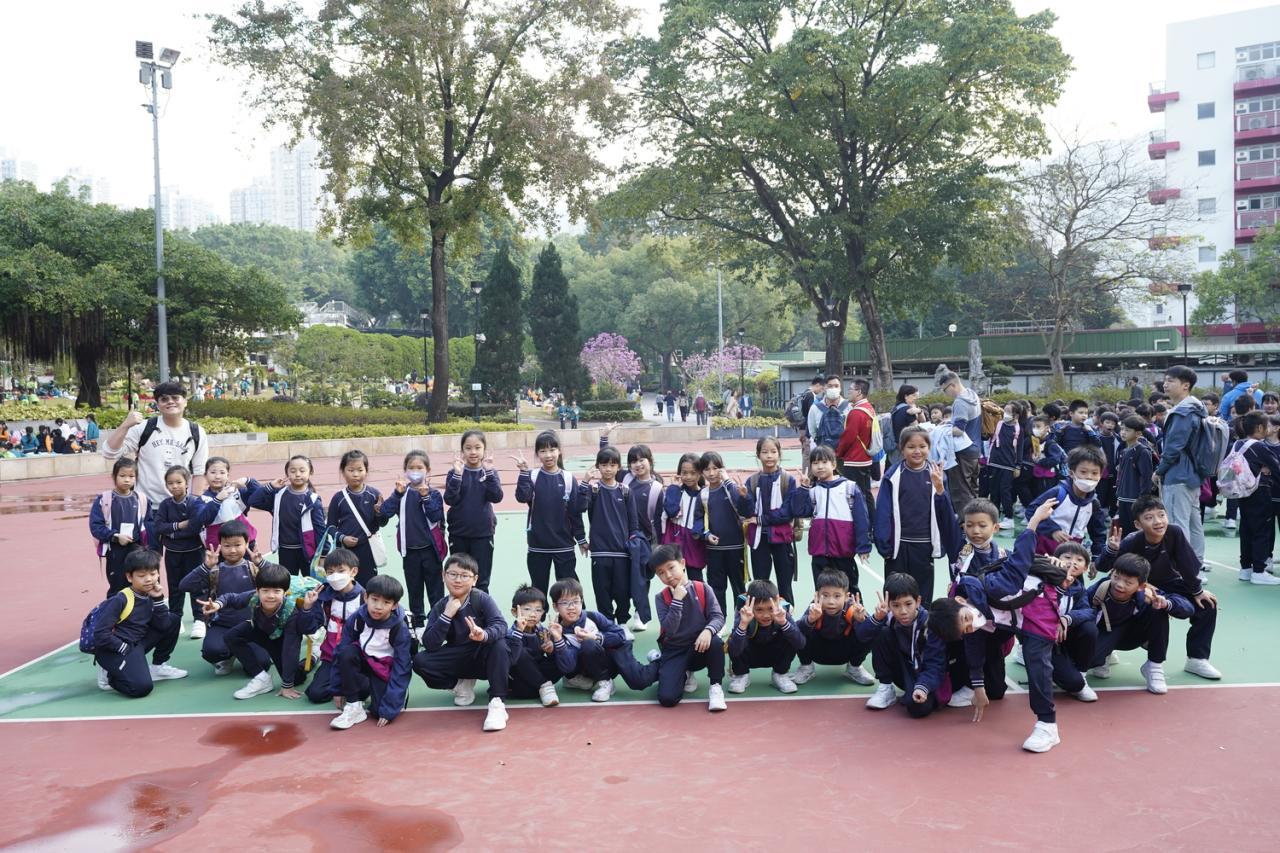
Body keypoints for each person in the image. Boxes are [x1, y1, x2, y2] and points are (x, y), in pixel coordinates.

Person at [1097, 495, 1221, 680]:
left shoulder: (1174, 533)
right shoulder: (1132, 541)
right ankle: (1106, 650)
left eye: (1161, 515)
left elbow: (1188, 566)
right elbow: (1104, 567)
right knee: (1122, 605)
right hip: (1140, 587)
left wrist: (1197, 591)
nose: (1158, 521)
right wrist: (1111, 550)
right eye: (1149, 517)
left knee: (1207, 604)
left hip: (1170, 583)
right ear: (1138, 524)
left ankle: (1197, 659)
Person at [609, 544, 728, 711]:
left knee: (715, 641)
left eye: (671, 567)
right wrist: (677, 600)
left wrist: (708, 631)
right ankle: (677, 670)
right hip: (675, 649)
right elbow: (670, 629)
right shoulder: (661, 598)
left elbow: (718, 617)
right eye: (661, 573)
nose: (668, 575)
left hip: (700, 647)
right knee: (667, 698)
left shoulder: (703, 588)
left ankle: (715, 687)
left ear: (683, 563)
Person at [412, 553, 514, 732]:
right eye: (453, 574)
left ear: (474, 580)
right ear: (443, 576)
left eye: (464, 575)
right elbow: (430, 644)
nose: (458, 580)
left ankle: (497, 703)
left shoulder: (481, 599)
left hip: (483, 655)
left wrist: (484, 635)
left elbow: (501, 625)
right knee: (420, 661)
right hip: (458, 656)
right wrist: (447, 615)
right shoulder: (441, 606)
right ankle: (460, 685)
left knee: (499, 645)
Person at [199, 562, 323, 700]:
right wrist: (217, 604)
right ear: (257, 590)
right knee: (232, 635)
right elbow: (231, 597)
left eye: (277, 591)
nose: (270, 596)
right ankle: (261, 678)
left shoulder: (291, 614)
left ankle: (314, 657)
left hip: (280, 639)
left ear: (285, 592)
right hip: (261, 630)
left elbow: (290, 650)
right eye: (265, 591)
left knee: (295, 678)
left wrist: (287, 686)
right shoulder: (254, 596)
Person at [1086, 553, 1194, 695]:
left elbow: (1188, 609)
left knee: (1158, 609)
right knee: (1089, 660)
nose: (1119, 584)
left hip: (1133, 636)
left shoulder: (1148, 593)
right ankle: (1104, 655)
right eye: (1116, 577)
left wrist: (1166, 603)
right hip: (1107, 632)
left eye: (1128, 582)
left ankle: (1154, 666)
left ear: (1141, 586)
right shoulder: (1098, 591)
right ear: (1111, 573)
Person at [179, 521, 274, 676]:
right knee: (212, 651)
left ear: (247, 544)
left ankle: (244, 653)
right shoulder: (214, 571)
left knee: (262, 664)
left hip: (252, 626)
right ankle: (228, 656)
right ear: (220, 545)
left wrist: (262, 563)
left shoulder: (254, 568)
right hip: (223, 626)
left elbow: (282, 579)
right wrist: (206, 566)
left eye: (237, 545)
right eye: (227, 545)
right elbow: (184, 586)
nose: (232, 550)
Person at [88, 549, 188, 696]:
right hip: (115, 648)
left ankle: (158, 666)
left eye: (153, 574)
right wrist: (123, 647)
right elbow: (100, 633)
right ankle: (110, 676)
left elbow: (164, 626)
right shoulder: (120, 599)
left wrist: (158, 599)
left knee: (173, 619)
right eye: (142, 576)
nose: (148, 579)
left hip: (137, 642)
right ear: (129, 577)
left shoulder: (150, 595)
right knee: (142, 688)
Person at [101, 380, 210, 511]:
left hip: (179, 506)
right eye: (164, 399)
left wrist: (194, 504)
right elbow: (109, 453)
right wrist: (125, 425)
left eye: (175, 398)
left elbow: (200, 471)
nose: (170, 402)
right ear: (157, 405)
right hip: (144, 506)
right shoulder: (144, 428)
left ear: (185, 401)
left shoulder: (196, 432)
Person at [874, 426, 955, 601]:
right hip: (898, 546)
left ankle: (923, 619)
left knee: (922, 595)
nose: (917, 451)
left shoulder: (937, 475)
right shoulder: (893, 475)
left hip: (924, 546)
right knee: (895, 593)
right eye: (911, 447)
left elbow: (945, 511)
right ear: (902, 449)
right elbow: (883, 512)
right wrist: (884, 544)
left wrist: (942, 544)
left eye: (922, 446)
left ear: (929, 448)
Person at [329, 574, 414, 730]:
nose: (378, 607)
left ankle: (373, 691)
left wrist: (389, 708)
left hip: (383, 668)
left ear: (394, 605)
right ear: (366, 597)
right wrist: (337, 688)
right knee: (347, 652)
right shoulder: (357, 618)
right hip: (362, 661)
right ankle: (354, 706)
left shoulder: (399, 628)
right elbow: (340, 651)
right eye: (374, 599)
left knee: (379, 712)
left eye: (386, 602)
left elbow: (402, 668)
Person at [856, 573, 947, 718]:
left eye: (908, 604)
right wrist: (876, 618)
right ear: (889, 605)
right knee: (880, 631)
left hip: (924, 674)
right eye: (896, 605)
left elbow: (935, 664)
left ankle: (922, 690)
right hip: (902, 670)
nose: (903, 611)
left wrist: (923, 687)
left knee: (918, 709)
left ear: (918, 601)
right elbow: (862, 636)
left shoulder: (930, 625)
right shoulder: (887, 616)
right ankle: (886, 687)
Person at [151, 465, 224, 635]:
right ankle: (175, 618)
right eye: (170, 483)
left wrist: (172, 533)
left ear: (187, 483)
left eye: (178, 482)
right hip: (173, 553)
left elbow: (194, 527)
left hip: (194, 551)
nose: (174, 486)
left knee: (197, 584)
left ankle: (200, 619)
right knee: (174, 586)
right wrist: (178, 526)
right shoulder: (165, 505)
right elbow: (159, 526)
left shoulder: (194, 502)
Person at [379, 450, 447, 629]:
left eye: (419, 468)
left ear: (428, 470)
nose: (415, 471)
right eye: (411, 468)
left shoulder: (433, 494)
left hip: (431, 551)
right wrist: (396, 493)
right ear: (405, 470)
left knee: (436, 591)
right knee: (414, 590)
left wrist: (425, 497)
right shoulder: (402, 493)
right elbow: (385, 512)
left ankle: (437, 624)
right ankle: (417, 625)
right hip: (410, 552)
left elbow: (436, 516)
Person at [514, 431, 586, 594]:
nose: (548, 455)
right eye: (543, 451)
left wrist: (581, 538)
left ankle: (575, 612)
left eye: (552, 449)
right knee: (538, 589)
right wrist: (523, 472)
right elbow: (522, 497)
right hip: (538, 545)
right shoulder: (532, 476)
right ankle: (539, 612)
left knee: (569, 588)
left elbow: (575, 513)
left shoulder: (568, 478)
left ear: (559, 451)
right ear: (537, 454)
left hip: (564, 545)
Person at [795, 445, 871, 597]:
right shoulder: (813, 491)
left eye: (824, 462)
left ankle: (856, 613)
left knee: (849, 592)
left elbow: (861, 520)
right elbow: (800, 511)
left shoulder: (849, 488)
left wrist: (863, 547)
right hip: (819, 553)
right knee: (821, 592)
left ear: (834, 465)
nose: (820, 466)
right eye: (815, 463)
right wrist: (803, 488)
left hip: (843, 552)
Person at [1154, 366, 1211, 569]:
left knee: (1177, 525)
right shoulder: (1197, 408)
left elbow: (1173, 448)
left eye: (1170, 381)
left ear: (1185, 385)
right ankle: (1196, 565)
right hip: (1194, 474)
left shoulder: (1182, 412)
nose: (1165, 384)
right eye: (1165, 380)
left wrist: (1159, 471)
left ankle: (1184, 569)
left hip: (1178, 474)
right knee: (1194, 523)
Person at [579, 445, 642, 625]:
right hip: (600, 552)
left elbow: (633, 523)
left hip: (622, 552)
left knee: (622, 591)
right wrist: (584, 483)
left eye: (612, 465)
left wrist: (633, 543)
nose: (608, 469)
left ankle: (622, 624)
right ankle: (607, 624)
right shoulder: (593, 490)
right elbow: (579, 507)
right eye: (604, 465)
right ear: (598, 466)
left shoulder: (625, 491)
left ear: (619, 467)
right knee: (602, 591)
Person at [740, 436, 804, 606]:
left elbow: (787, 513)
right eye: (765, 452)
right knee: (760, 584)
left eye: (773, 451)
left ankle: (787, 617)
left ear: (779, 453)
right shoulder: (752, 481)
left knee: (785, 584)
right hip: (759, 540)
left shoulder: (788, 480)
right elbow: (748, 513)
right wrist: (745, 497)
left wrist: (761, 520)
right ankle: (761, 617)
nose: (769, 456)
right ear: (758, 455)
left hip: (781, 539)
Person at [546, 578, 628, 702]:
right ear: (555, 606)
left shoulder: (593, 617)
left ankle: (605, 682)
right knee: (557, 656)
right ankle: (574, 678)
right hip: (577, 668)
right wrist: (558, 638)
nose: (571, 607)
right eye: (565, 603)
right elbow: (567, 667)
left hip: (603, 664)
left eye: (576, 601)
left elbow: (621, 635)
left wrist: (595, 637)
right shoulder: (554, 630)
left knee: (588, 644)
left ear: (582, 602)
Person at [1024, 446, 1109, 562]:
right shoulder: (1059, 493)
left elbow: (1098, 532)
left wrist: (1096, 558)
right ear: (1071, 473)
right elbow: (1032, 510)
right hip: (1044, 550)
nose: (1089, 477)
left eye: (1094, 473)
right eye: (1083, 472)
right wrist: (1052, 530)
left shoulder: (1094, 503)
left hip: (1072, 555)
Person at [443, 430, 504, 593]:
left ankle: (481, 608)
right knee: (459, 578)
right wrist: (457, 475)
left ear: (484, 450)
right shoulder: (454, 472)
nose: (473, 452)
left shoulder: (490, 472)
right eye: (468, 448)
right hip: (458, 533)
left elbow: (497, 496)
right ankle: (458, 607)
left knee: (481, 580)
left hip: (483, 534)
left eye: (478, 447)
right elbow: (450, 499)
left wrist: (489, 473)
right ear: (462, 451)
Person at [791, 569, 874, 687]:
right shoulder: (814, 608)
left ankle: (854, 667)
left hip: (845, 652)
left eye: (837, 596)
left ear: (846, 597)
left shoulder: (854, 608)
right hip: (818, 652)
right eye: (825, 595)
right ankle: (806, 667)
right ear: (817, 595)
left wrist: (861, 621)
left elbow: (869, 633)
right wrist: (810, 620)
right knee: (797, 630)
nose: (831, 601)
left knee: (871, 629)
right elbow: (796, 632)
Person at [247, 455, 327, 576]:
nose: (297, 474)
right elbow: (253, 501)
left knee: (311, 582)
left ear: (310, 472)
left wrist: (323, 554)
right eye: (293, 471)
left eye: (302, 470)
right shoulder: (278, 495)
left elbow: (320, 529)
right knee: (287, 583)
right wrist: (270, 486)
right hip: (285, 550)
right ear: (287, 473)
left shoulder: (313, 500)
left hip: (307, 551)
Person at [304, 548, 366, 703]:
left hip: (357, 657)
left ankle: (347, 686)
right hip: (331, 656)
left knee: (364, 690)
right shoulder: (323, 598)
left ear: (353, 572)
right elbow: (309, 628)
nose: (335, 576)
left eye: (341, 570)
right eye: (330, 572)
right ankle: (340, 685)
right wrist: (308, 608)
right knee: (315, 694)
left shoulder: (365, 598)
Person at [726, 580, 805, 694]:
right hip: (750, 655)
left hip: (774, 654)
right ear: (750, 605)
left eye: (771, 608)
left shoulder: (782, 613)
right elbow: (734, 650)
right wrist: (743, 624)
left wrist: (783, 623)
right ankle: (741, 675)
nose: (766, 615)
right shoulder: (743, 615)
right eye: (759, 609)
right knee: (735, 638)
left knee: (790, 634)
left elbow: (800, 644)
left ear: (777, 602)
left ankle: (780, 674)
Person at [1229, 411, 1279, 585]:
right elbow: (1276, 468)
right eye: (1266, 426)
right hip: (1259, 492)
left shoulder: (1238, 443)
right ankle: (1259, 570)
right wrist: (1266, 469)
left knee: (1246, 529)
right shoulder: (1258, 446)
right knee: (1262, 531)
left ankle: (1246, 568)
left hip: (1243, 492)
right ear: (1259, 427)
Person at [698, 450, 749, 616]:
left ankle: (741, 619)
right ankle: (719, 620)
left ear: (722, 469)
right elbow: (698, 520)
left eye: (715, 468)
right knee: (716, 587)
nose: (711, 473)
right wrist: (706, 535)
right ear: (702, 472)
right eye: (707, 469)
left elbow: (741, 506)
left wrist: (727, 480)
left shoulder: (730, 488)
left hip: (736, 547)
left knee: (739, 587)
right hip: (714, 550)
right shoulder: (703, 494)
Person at [90, 457, 149, 598]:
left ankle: (138, 611)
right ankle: (115, 610)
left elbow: (149, 525)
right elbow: (96, 526)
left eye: (131, 476)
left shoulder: (141, 499)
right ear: (114, 476)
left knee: (139, 586)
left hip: (136, 550)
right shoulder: (104, 500)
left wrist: (148, 548)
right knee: (117, 587)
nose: (127, 480)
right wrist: (115, 536)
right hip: (115, 551)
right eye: (122, 476)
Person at [326, 450, 386, 586]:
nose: (355, 474)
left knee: (368, 585)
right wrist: (342, 538)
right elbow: (330, 526)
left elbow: (383, 523)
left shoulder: (374, 494)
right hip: (345, 552)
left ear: (366, 471)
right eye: (351, 470)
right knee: (345, 585)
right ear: (343, 472)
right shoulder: (338, 498)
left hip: (368, 549)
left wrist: (379, 513)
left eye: (360, 470)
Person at [505, 583, 562, 706]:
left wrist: (551, 650)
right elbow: (512, 660)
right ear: (514, 612)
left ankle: (541, 686)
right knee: (519, 652)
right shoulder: (510, 634)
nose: (533, 614)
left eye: (538, 610)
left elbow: (550, 660)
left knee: (560, 656)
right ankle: (544, 686)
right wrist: (519, 631)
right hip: (520, 674)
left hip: (537, 671)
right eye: (527, 609)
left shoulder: (542, 632)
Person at [938, 370, 983, 517]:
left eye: (945, 390)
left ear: (952, 385)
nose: (945, 393)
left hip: (963, 451)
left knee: (961, 491)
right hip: (975, 449)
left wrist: (941, 431)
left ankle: (965, 524)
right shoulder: (972, 394)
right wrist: (950, 422)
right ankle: (976, 519)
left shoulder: (960, 402)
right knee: (972, 488)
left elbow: (959, 430)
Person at [834, 378, 877, 521]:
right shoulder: (869, 408)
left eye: (850, 389)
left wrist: (838, 453)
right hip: (865, 457)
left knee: (855, 495)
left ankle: (861, 523)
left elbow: (848, 437)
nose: (848, 392)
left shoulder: (856, 412)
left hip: (854, 459)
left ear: (859, 392)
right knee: (866, 493)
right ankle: (872, 522)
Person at [662, 452, 708, 581]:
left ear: (700, 473)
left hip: (695, 544)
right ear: (679, 473)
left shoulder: (705, 494)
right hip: (675, 543)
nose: (688, 477)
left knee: (696, 581)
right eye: (684, 473)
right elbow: (671, 511)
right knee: (676, 581)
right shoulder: (675, 491)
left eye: (693, 473)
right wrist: (674, 488)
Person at [200, 456, 261, 550]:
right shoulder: (202, 500)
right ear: (205, 475)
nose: (217, 476)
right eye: (213, 472)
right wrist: (217, 500)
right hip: (218, 548)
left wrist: (248, 481)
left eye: (222, 472)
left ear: (228, 476)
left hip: (245, 544)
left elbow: (260, 495)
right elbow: (204, 519)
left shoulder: (237, 493)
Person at [988, 401, 1029, 530]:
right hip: (995, 462)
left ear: (1016, 415)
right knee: (994, 491)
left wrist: (1018, 466)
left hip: (1009, 465)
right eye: (1004, 410)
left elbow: (1020, 449)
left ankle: (1009, 517)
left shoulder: (1018, 429)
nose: (1004, 413)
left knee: (1005, 491)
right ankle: (994, 516)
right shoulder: (999, 424)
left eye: (1008, 411)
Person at [1114, 415, 1156, 535]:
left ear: (1138, 434)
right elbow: (1121, 476)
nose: (1123, 432)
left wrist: (1143, 499)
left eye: (1127, 430)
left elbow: (1146, 477)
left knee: (1136, 531)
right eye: (1122, 429)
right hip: (1123, 498)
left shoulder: (1142, 451)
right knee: (1124, 530)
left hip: (1135, 499)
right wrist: (1118, 496)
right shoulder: (1124, 451)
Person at [808, 375, 850, 450]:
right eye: (830, 386)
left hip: (845, 451)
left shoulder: (849, 407)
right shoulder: (815, 408)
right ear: (824, 389)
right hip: (824, 452)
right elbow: (812, 431)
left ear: (840, 388)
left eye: (836, 386)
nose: (833, 389)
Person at [798, 377, 824, 465]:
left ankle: (806, 471)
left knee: (805, 452)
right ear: (817, 385)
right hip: (807, 428)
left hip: (801, 426)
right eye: (821, 388)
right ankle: (807, 473)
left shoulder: (804, 393)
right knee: (808, 453)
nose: (821, 391)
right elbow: (812, 414)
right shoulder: (811, 396)